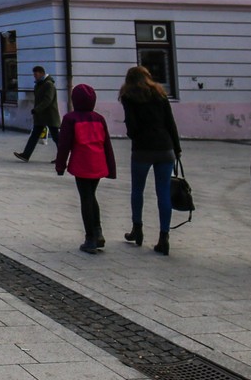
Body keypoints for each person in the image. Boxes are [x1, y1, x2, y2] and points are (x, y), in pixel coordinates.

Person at [119, 65, 181, 256]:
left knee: (138, 190)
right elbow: (170, 122)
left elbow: (131, 124)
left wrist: (136, 136)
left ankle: (137, 229)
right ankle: (164, 236)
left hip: (143, 148)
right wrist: (176, 148)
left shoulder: (129, 96)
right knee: (163, 192)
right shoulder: (160, 94)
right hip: (165, 147)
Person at [53, 83, 117, 254]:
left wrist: (60, 165)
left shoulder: (70, 119)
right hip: (98, 163)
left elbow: (64, 144)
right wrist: (111, 168)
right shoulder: (98, 118)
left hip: (82, 163)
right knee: (91, 195)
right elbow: (107, 145)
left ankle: (90, 238)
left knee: (86, 198)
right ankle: (98, 231)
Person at [15, 65, 59, 161]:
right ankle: (26, 155)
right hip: (40, 116)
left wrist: (37, 109)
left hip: (49, 115)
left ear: (42, 73)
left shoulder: (48, 84)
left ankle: (62, 156)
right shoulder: (39, 84)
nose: (34, 76)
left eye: (36, 74)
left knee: (56, 137)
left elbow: (48, 100)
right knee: (34, 136)